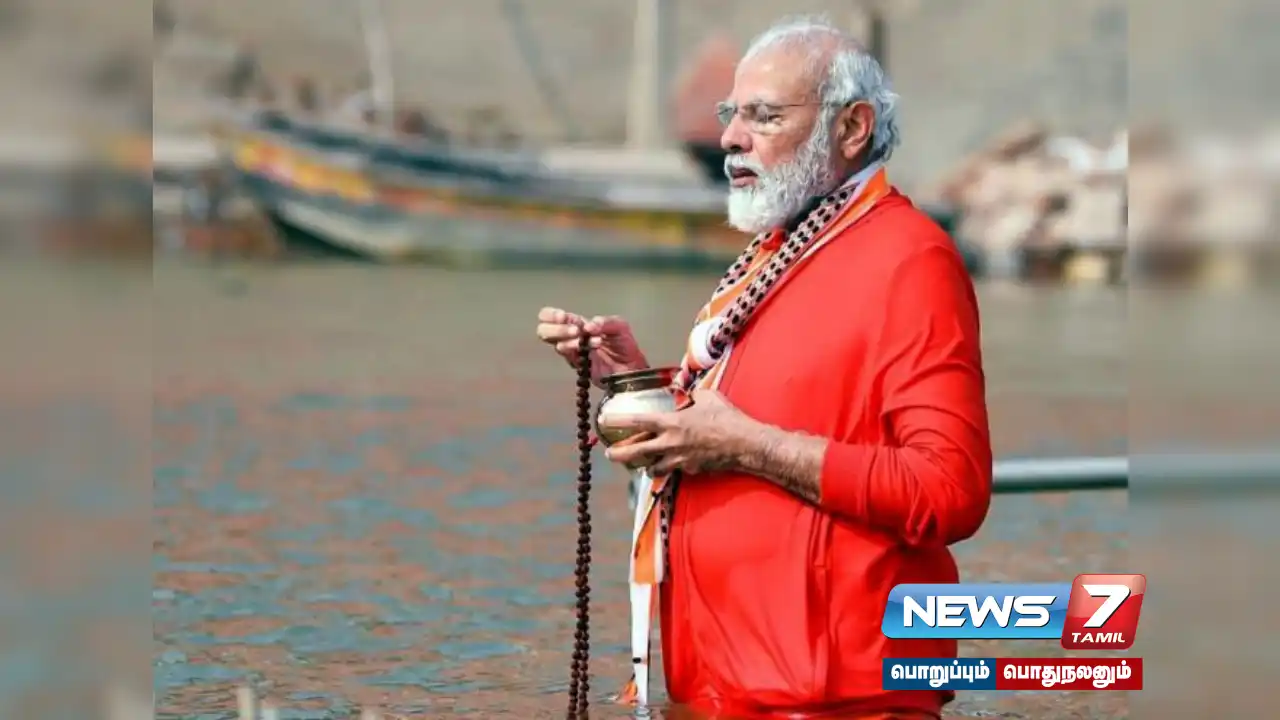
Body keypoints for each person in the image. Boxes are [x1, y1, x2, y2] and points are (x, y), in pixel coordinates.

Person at [535, 15, 991, 720]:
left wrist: (750, 447)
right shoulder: (775, 251)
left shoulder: (911, 260)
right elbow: (733, 420)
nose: (729, 138)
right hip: (720, 687)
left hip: (837, 699)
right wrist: (635, 386)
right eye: (731, 114)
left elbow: (949, 491)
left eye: (764, 116)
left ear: (851, 128)